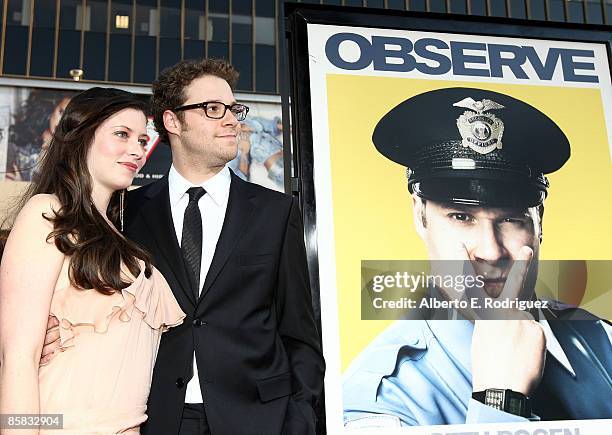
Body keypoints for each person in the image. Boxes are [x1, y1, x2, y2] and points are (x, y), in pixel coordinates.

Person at [342, 87, 612, 428]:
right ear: (419, 216)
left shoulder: (600, 337)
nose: (491, 251)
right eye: (461, 216)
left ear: (539, 220)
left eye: (512, 218)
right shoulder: (382, 401)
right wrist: (500, 401)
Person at [0, 87, 185, 434]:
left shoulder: (122, 236)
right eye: (122, 134)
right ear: (81, 136)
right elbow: (18, 358)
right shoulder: (48, 213)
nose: (137, 150)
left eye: (142, 140)